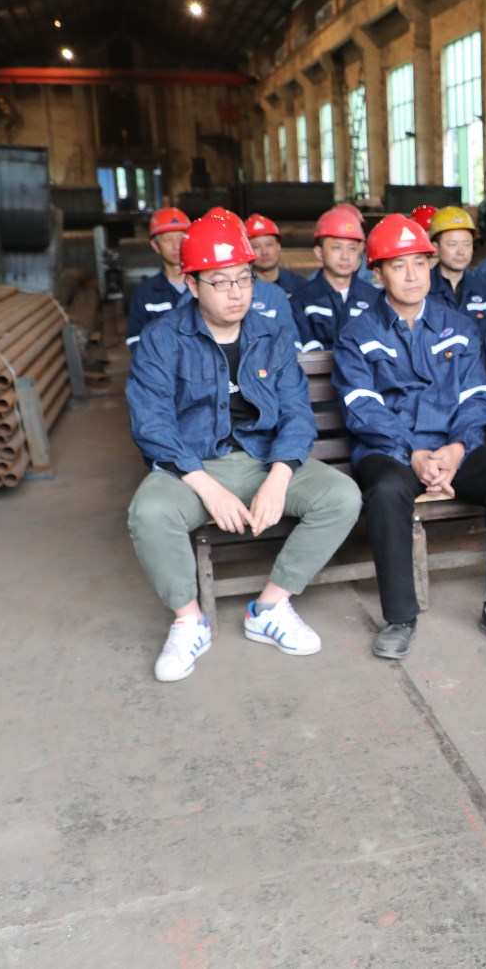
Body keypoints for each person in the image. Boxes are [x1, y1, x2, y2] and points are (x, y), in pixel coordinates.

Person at [125, 213, 362, 683]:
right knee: (148, 512)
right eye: (219, 281)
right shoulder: (161, 340)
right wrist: (209, 489)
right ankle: (189, 621)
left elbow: (296, 413)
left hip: (262, 458)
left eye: (243, 278)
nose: (235, 292)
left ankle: (270, 607)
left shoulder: (272, 335)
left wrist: (279, 476)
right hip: (193, 466)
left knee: (341, 496)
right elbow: (152, 425)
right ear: (192, 285)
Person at [332, 214, 486, 661]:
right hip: (390, 450)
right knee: (387, 491)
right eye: (398, 265)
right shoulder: (358, 334)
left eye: (420, 264)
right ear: (377, 274)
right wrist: (414, 453)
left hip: (452, 446)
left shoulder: (457, 325)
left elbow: (478, 395)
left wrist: (458, 448)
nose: (412, 275)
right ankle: (400, 617)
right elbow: (362, 407)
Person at [292, 204, 383, 351]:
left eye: (352, 248)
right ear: (319, 252)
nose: (345, 256)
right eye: (336, 247)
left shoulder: (375, 299)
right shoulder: (301, 301)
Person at [426, 205, 486, 338]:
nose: (461, 252)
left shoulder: (484, 289)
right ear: (435, 248)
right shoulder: (422, 290)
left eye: (466, 244)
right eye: (452, 244)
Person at [124, 207, 191, 349]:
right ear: (155, 245)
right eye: (168, 239)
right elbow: (135, 341)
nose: (176, 246)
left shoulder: (205, 287)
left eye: (181, 238)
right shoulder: (145, 295)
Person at [244, 213, 310, 296]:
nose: (264, 252)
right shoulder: (242, 290)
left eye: (269, 244)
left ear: (278, 246)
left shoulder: (301, 286)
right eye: (256, 247)